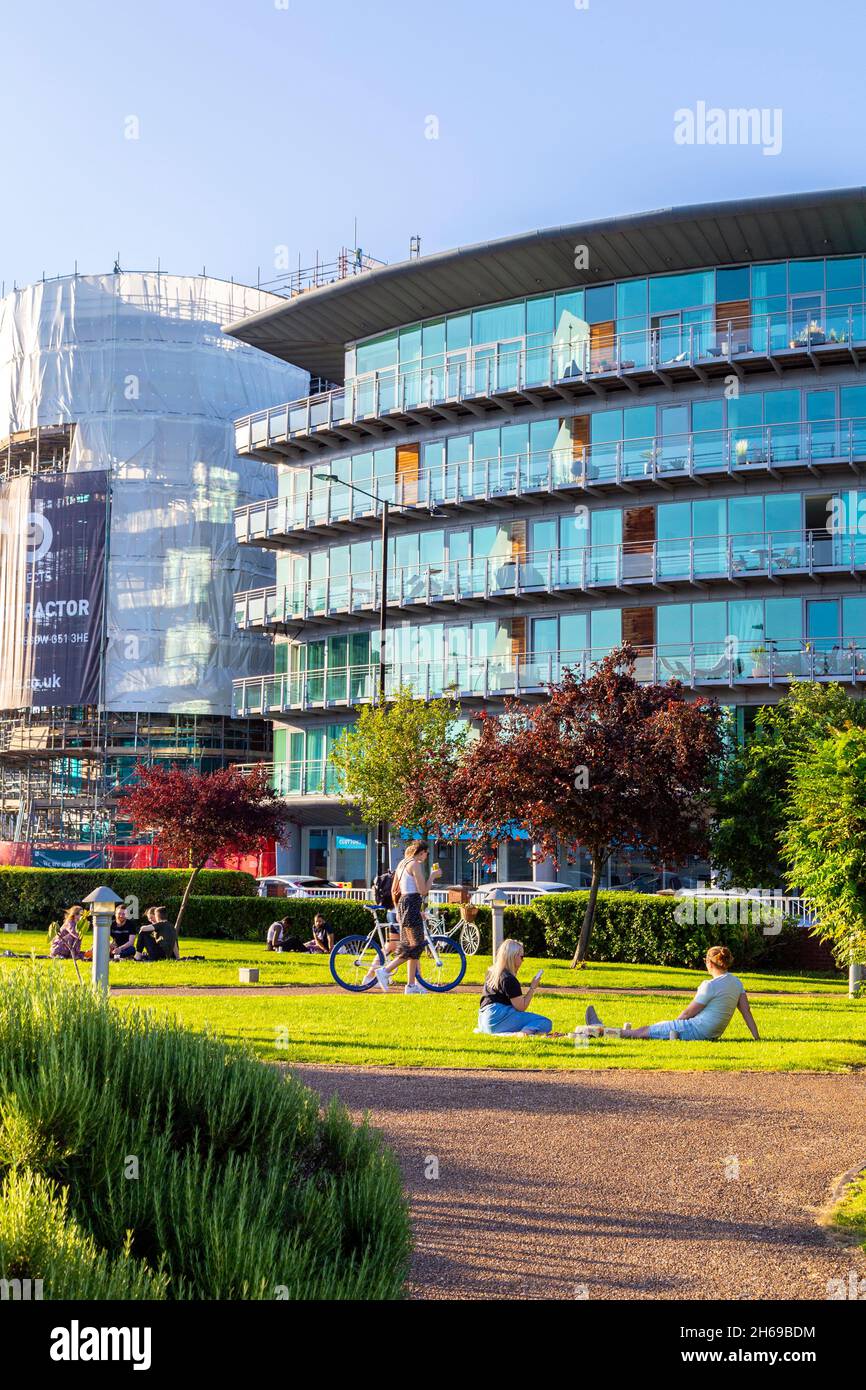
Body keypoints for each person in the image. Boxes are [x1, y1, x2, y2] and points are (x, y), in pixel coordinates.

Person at [585, 945, 760, 1041]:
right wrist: (757, 1038)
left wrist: (672, 1025)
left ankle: (599, 1030)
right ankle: (604, 1029)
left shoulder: (709, 985)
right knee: (644, 1031)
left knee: (641, 1032)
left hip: (695, 1030)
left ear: (710, 963)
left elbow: (688, 1013)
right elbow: (746, 1013)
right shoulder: (736, 983)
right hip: (711, 1033)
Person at [370, 841, 439, 995]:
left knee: (410, 946)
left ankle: (410, 985)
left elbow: (398, 889)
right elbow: (422, 890)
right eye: (427, 853)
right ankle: (385, 971)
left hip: (403, 905)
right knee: (416, 946)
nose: (427, 856)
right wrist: (433, 876)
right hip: (411, 903)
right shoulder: (414, 864)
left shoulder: (402, 863)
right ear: (421, 852)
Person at [477, 938, 553, 1035]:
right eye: (521, 957)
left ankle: (518, 1031)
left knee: (520, 1016)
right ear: (513, 956)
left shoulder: (493, 974)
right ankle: (523, 1032)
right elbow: (521, 1007)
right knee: (545, 1023)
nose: (523, 961)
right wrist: (532, 988)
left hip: (483, 1021)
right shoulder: (509, 979)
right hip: (496, 1019)